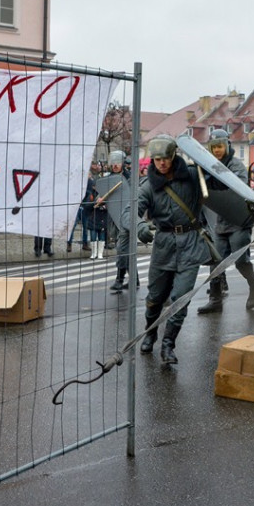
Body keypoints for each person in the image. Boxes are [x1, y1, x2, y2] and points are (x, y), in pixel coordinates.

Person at [135, 134, 211, 364]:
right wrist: (139, 225)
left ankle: (168, 344)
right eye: (157, 159)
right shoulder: (148, 186)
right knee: (154, 298)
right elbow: (131, 209)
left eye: (165, 158)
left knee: (181, 299)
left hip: (190, 244)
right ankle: (150, 333)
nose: (161, 163)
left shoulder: (193, 176)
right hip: (164, 246)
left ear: (173, 156)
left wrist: (206, 160)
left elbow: (219, 180)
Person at [196, 129, 254, 313]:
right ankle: (215, 299)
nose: (217, 150)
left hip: (238, 220)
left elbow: (237, 189)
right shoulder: (209, 165)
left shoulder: (236, 165)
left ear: (227, 146)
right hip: (221, 221)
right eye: (214, 147)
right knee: (216, 262)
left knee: (241, 262)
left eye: (220, 146)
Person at [98, 150, 134, 291]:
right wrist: (100, 199)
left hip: (127, 218)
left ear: (123, 163)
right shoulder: (108, 179)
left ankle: (119, 279)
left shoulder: (130, 178)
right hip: (113, 217)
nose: (115, 165)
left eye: (117, 162)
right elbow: (102, 195)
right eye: (113, 162)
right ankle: (135, 280)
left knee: (121, 249)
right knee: (126, 251)